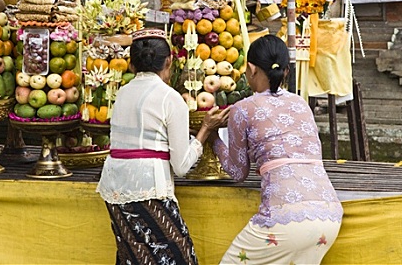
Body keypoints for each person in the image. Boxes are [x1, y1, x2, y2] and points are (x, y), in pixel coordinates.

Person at [96, 28, 227, 264]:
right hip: (148, 187)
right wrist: (205, 129)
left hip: (114, 186)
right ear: (169, 61)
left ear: (132, 65)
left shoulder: (122, 93)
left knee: (133, 257)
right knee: (180, 257)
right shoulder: (170, 98)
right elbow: (182, 166)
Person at [210, 34, 343, 264]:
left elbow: (237, 172)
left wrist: (212, 137)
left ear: (251, 69)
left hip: (285, 221)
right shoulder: (301, 103)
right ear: (286, 72)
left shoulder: (242, 109)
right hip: (329, 215)